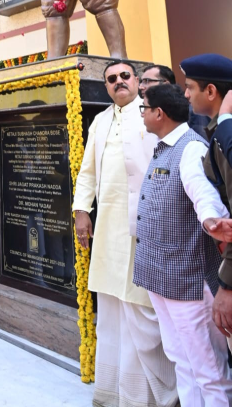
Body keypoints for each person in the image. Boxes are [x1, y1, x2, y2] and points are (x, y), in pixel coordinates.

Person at [73, 60, 176, 407]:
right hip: (108, 229)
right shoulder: (100, 121)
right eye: (111, 78)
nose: (119, 82)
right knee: (111, 309)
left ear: (137, 81)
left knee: (142, 309)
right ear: (106, 86)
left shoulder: (153, 116)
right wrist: (81, 211)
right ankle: (112, 392)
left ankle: (154, 395)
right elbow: (88, 172)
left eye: (125, 76)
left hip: (146, 227)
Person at [133, 84, 232, 404]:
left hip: (188, 279)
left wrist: (211, 220)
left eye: (144, 108)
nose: (142, 115)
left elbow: (203, 194)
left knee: (209, 371)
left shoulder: (190, 148)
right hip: (161, 276)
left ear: (159, 113)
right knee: (182, 362)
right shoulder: (164, 146)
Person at [182, 53, 232, 348]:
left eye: (190, 87)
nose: (186, 95)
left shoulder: (226, 136)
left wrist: (227, 286)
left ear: (211, 91)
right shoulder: (219, 132)